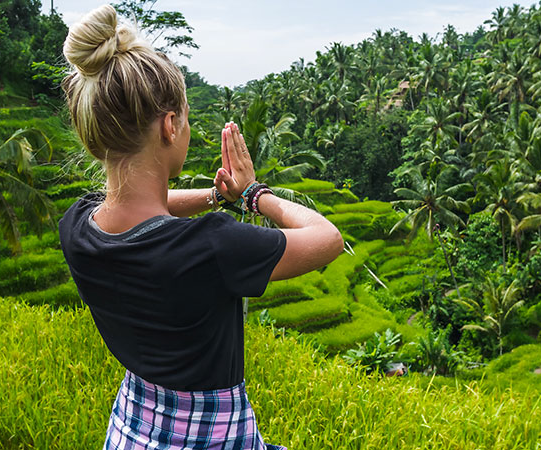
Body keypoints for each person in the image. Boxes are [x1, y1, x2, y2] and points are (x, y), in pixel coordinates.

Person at [57, 5, 343, 449]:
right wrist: (253, 193)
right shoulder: (211, 245)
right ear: (170, 126)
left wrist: (216, 197)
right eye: (186, 118)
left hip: (133, 428)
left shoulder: (78, 225)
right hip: (211, 437)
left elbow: (143, 207)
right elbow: (327, 238)